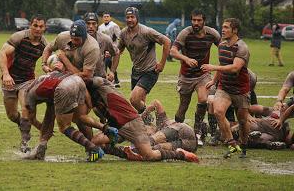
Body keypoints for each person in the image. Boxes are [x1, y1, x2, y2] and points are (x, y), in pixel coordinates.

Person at [24, 55, 118, 161]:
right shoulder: (63, 74)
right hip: (77, 80)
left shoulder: (31, 92)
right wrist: (89, 104)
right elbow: (50, 113)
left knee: (64, 127)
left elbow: (31, 118)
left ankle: (93, 148)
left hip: (64, 87)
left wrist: (41, 128)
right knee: (81, 117)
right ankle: (107, 129)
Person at [87, 77, 199, 163]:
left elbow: (156, 103)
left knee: (151, 142)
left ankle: (180, 154)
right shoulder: (153, 128)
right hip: (188, 145)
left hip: (183, 130)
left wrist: (144, 112)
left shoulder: (162, 123)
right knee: (152, 149)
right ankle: (181, 154)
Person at [170, 9, 221, 146]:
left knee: (204, 99)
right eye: (193, 20)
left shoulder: (212, 34)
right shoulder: (185, 33)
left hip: (203, 75)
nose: (196, 23)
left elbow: (223, 48)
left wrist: (218, 66)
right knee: (183, 107)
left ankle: (197, 133)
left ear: (204, 21)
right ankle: (177, 132)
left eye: (199, 20)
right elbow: (173, 51)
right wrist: (185, 58)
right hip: (186, 76)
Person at [201, 18, 251, 158]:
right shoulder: (222, 45)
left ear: (235, 30)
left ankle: (244, 144)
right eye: (222, 27)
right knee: (218, 111)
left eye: (226, 27)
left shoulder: (242, 47)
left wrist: (213, 67)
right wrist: (214, 80)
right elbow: (222, 64)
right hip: (224, 88)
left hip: (241, 89)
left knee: (242, 121)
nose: (223, 30)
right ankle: (232, 143)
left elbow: (235, 68)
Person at [0, 15, 47, 152]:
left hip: (27, 80)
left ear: (44, 28)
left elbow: (49, 59)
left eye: (41, 26)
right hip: (10, 80)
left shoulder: (44, 44)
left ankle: (25, 142)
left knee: (26, 106)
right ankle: (23, 124)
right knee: (12, 115)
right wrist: (6, 74)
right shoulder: (19, 38)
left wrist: (49, 66)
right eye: (35, 26)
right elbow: (2, 53)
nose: (38, 29)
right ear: (30, 25)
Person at [117, 7, 171, 114]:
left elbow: (167, 41)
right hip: (136, 70)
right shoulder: (124, 33)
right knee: (138, 105)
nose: (130, 20)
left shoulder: (146, 32)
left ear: (137, 18)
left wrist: (162, 64)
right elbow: (119, 48)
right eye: (127, 17)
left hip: (150, 71)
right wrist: (111, 52)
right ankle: (147, 123)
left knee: (134, 99)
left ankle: (152, 109)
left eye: (132, 17)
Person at [84, 12, 120, 82]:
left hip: (100, 79)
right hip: (82, 78)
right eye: (88, 23)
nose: (91, 26)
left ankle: (116, 79)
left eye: (94, 23)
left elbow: (117, 52)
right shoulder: (78, 38)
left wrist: (112, 72)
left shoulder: (105, 38)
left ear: (97, 24)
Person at [98, 11, 122, 87]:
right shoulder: (100, 27)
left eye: (107, 16)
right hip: (104, 48)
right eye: (104, 17)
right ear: (102, 18)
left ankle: (104, 80)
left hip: (112, 47)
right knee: (110, 64)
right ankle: (116, 80)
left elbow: (119, 37)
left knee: (106, 62)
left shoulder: (114, 26)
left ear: (110, 18)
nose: (106, 18)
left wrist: (118, 48)